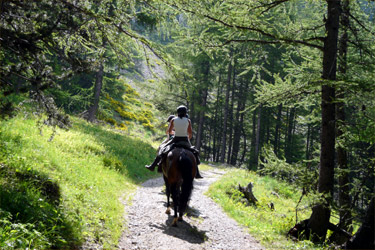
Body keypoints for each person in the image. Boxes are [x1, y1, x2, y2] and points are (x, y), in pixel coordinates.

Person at [145, 105, 203, 178]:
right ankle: (197, 173)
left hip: (175, 139)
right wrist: (187, 138)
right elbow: (190, 133)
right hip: (185, 139)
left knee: (162, 149)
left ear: (177, 112)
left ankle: (153, 166)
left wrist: (176, 133)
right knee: (194, 152)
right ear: (185, 113)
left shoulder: (173, 120)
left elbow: (169, 131)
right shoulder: (188, 120)